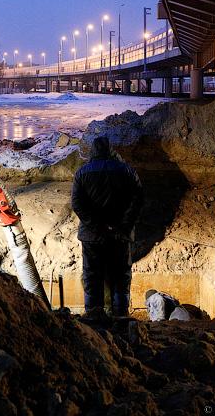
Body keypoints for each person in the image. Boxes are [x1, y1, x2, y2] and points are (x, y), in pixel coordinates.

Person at [72, 135, 142, 322]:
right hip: (120, 236)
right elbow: (138, 201)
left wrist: (96, 226)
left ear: (93, 151)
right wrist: (124, 226)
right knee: (120, 276)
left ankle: (94, 317)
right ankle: (120, 316)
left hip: (92, 236)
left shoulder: (82, 173)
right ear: (111, 150)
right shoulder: (127, 171)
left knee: (92, 276)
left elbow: (77, 205)